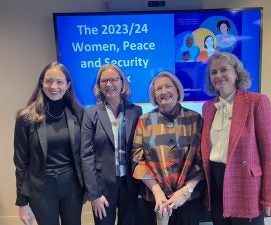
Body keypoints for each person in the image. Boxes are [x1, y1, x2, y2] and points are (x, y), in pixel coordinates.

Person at [201, 52, 271, 225]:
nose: (218, 76)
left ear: (236, 72)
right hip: (216, 182)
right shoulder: (208, 108)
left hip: (246, 182)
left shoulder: (257, 102)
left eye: (224, 69)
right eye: (213, 72)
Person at [13, 62, 84, 225]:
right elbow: (20, 163)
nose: (54, 86)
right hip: (41, 189)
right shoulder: (26, 118)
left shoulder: (78, 114)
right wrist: (22, 203)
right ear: (41, 83)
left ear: (68, 85)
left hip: (72, 187)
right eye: (49, 81)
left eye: (59, 81)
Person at [132, 71, 206, 225]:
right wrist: (157, 192)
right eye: (158, 89)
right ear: (154, 95)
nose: (164, 91)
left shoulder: (195, 119)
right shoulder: (144, 121)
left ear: (177, 90)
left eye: (168, 86)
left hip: (188, 199)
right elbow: (137, 160)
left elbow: (203, 159)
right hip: (154, 200)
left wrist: (185, 192)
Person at [80, 64, 142, 225]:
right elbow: (86, 156)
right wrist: (94, 193)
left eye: (114, 79)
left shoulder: (136, 111)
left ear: (122, 82)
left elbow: (141, 150)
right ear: (99, 86)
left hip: (130, 183)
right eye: (104, 81)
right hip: (103, 186)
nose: (109, 84)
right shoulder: (91, 114)